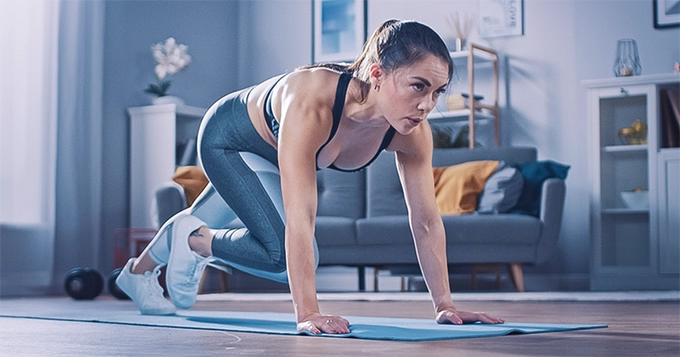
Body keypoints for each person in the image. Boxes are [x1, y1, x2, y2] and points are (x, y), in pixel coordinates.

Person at [117, 19, 505, 334]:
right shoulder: (314, 103)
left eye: (437, 92)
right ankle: (195, 241)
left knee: (260, 236)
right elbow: (301, 215)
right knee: (281, 255)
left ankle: (136, 273)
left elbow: (424, 221)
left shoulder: (412, 133)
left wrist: (445, 306)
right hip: (230, 141)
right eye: (418, 86)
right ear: (377, 74)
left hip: (265, 158)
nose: (427, 105)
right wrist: (308, 312)